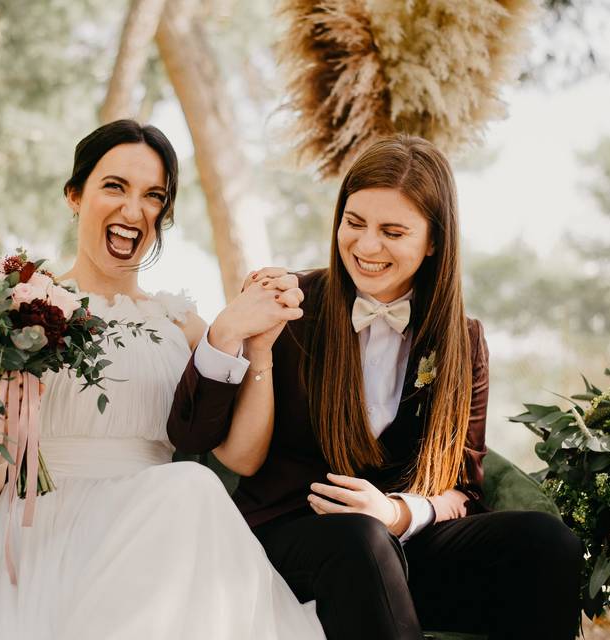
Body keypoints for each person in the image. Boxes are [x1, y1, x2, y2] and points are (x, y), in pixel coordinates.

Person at [0, 119, 325, 639]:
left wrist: (260, 350)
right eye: (114, 186)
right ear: (74, 195)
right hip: (37, 532)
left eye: (153, 196)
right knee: (192, 487)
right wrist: (6, 401)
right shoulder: (16, 309)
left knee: (193, 485)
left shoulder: (183, 325)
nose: (133, 210)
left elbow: (241, 458)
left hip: (157, 535)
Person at [169, 135, 584, 639]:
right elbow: (191, 437)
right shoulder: (291, 305)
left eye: (392, 231)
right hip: (289, 540)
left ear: (433, 240)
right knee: (360, 540)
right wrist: (227, 332)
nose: (366, 246)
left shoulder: (463, 340)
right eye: (354, 222)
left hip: (398, 545)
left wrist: (396, 512)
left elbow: (466, 490)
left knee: (547, 541)